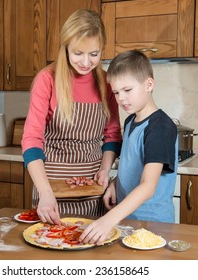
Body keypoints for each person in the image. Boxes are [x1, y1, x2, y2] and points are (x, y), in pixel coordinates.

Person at [21, 9, 122, 225]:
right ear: (65, 47)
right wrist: (45, 191)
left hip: (95, 191)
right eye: (78, 53)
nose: (86, 62)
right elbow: (31, 140)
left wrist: (105, 170)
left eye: (94, 54)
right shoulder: (46, 79)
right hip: (52, 190)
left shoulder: (107, 82)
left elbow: (112, 136)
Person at [79, 50, 178, 245]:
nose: (121, 98)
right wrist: (116, 184)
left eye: (127, 90)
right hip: (128, 220)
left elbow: (148, 186)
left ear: (149, 84)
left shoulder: (160, 128)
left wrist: (108, 220)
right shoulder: (132, 121)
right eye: (116, 92)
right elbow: (132, 163)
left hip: (153, 226)